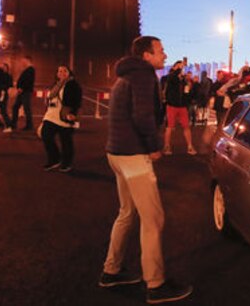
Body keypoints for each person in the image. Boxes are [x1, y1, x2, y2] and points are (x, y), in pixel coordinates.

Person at [99, 36, 192, 304]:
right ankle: (156, 284)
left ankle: (111, 270)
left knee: (126, 213)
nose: (164, 55)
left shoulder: (124, 75)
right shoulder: (143, 75)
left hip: (115, 153)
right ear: (146, 55)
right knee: (153, 219)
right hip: (133, 155)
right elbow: (143, 116)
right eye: (160, 51)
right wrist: (154, 145)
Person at [40, 65, 82, 172]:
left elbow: (77, 100)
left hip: (65, 115)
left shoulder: (73, 85)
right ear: (57, 74)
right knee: (45, 134)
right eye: (59, 71)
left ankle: (66, 163)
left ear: (69, 73)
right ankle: (54, 159)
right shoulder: (56, 84)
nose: (62, 73)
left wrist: (73, 113)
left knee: (66, 141)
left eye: (64, 71)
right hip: (51, 115)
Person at [163, 61, 195, 156]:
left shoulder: (183, 80)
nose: (181, 69)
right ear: (175, 67)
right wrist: (178, 69)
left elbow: (186, 92)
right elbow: (172, 78)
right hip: (172, 105)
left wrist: (188, 91)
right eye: (179, 66)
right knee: (169, 126)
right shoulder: (171, 76)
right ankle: (167, 146)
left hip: (182, 106)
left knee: (186, 126)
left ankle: (190, 146)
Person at [11, 55, 35, 131]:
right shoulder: (28, 69)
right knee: (16, 107)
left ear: (27, 60)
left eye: (23, 61)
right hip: (23, 92)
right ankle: (14, 123)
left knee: (25, 108)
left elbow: (28, 81)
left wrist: (21, 88)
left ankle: (29, 125)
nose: (22, 62)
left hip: (25, 92)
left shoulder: (30, 70)